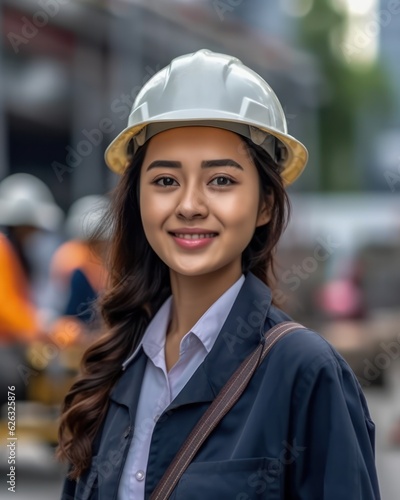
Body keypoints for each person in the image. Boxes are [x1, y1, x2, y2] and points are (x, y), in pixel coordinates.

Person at [57, 49, 381, 499]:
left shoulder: (304, 373)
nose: (189, 205)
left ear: (265, 203)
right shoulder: (115, 367)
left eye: (221, 180)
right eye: (166, 180)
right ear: (138, 201)